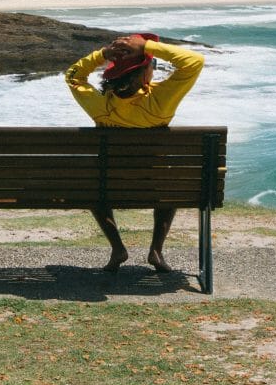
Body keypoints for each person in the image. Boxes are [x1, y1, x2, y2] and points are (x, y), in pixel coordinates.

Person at [65, 32, 205, 274]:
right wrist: (147, 46)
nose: (155, 68)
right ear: (144, 72)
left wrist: (102, 54)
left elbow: (73, 76)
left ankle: (118, 248)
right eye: (153, 64)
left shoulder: (101, 106)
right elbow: (194, 61)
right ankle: (156, 250)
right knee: (168, 187)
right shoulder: (160, 102)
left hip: (108, 186)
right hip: (155, 186)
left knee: (95, 190)